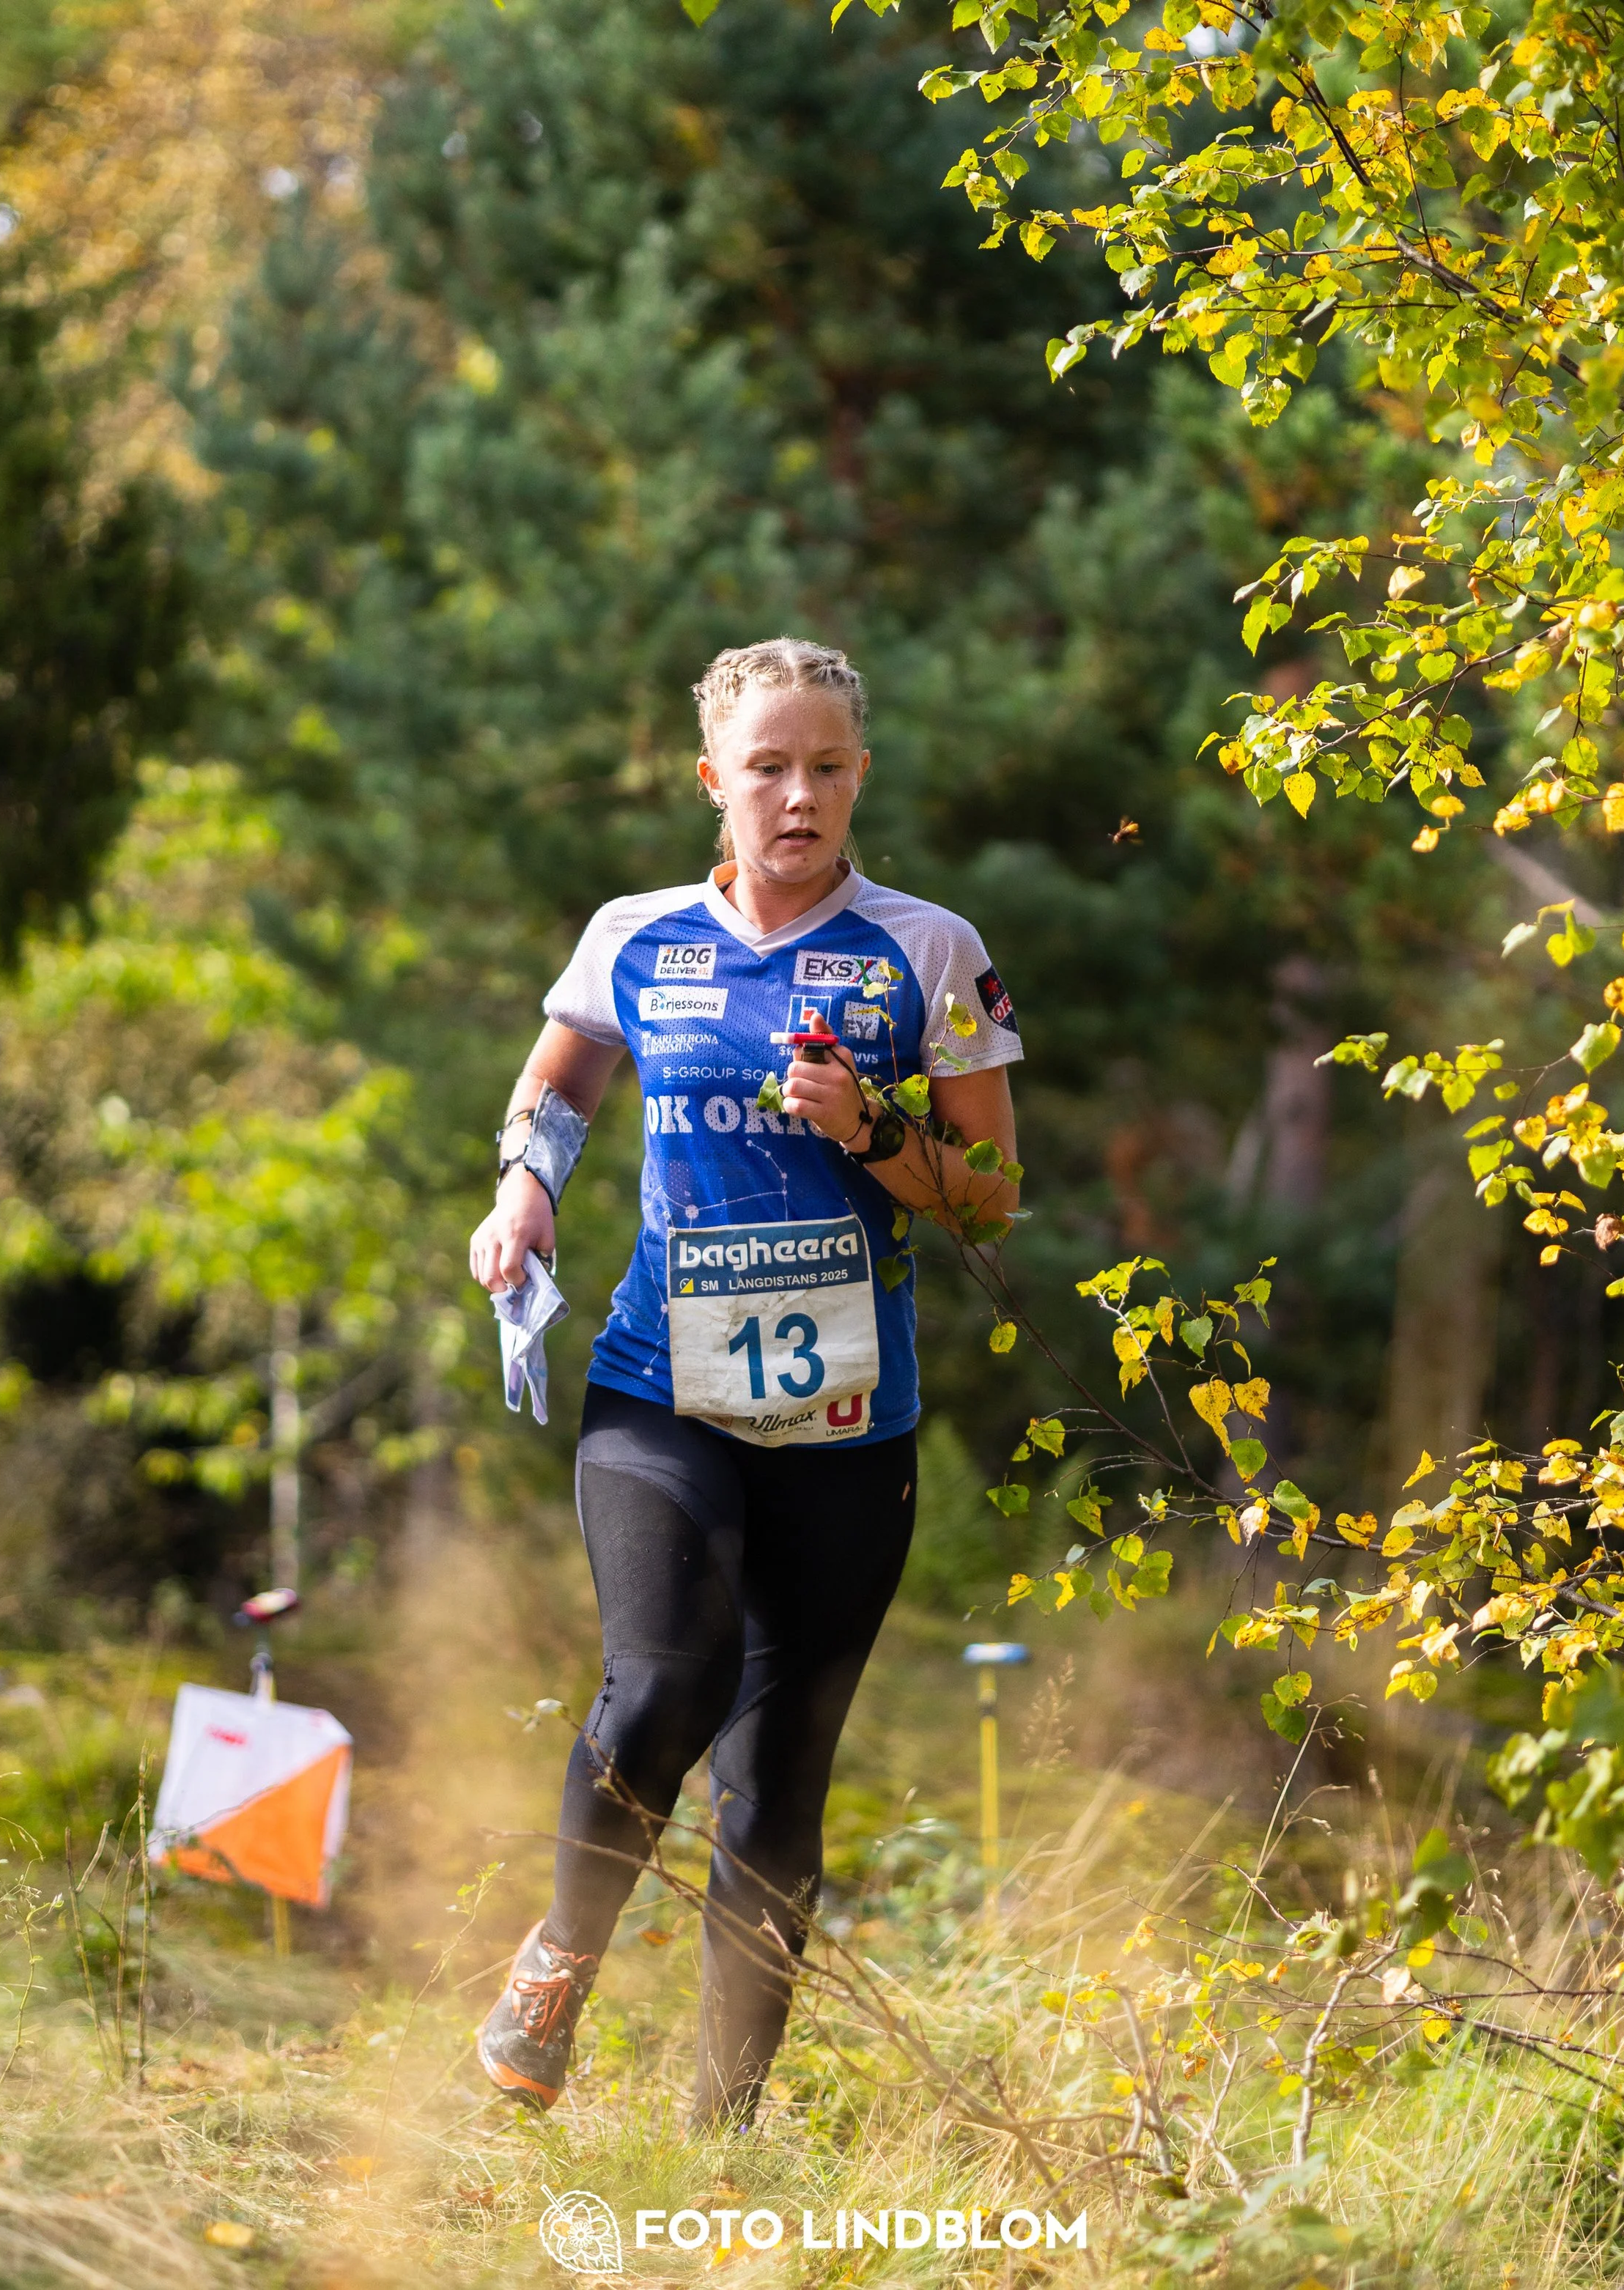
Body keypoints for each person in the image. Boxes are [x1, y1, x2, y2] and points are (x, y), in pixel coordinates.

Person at [467, 636, 1022, 2125]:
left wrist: (868, 1131)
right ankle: (560, 1958)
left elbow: (986, 1196)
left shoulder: (925, 948)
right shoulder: (633, 936)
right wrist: (524, 1189)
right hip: (661, 1386)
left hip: (849, 1418)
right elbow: (557, 1085)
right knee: (661, 1681)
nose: (798, 795)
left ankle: (717, 2143)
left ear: (857, 776)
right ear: (713, 778)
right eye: (767, 767)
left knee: (774, 1781)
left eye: (825, 767)